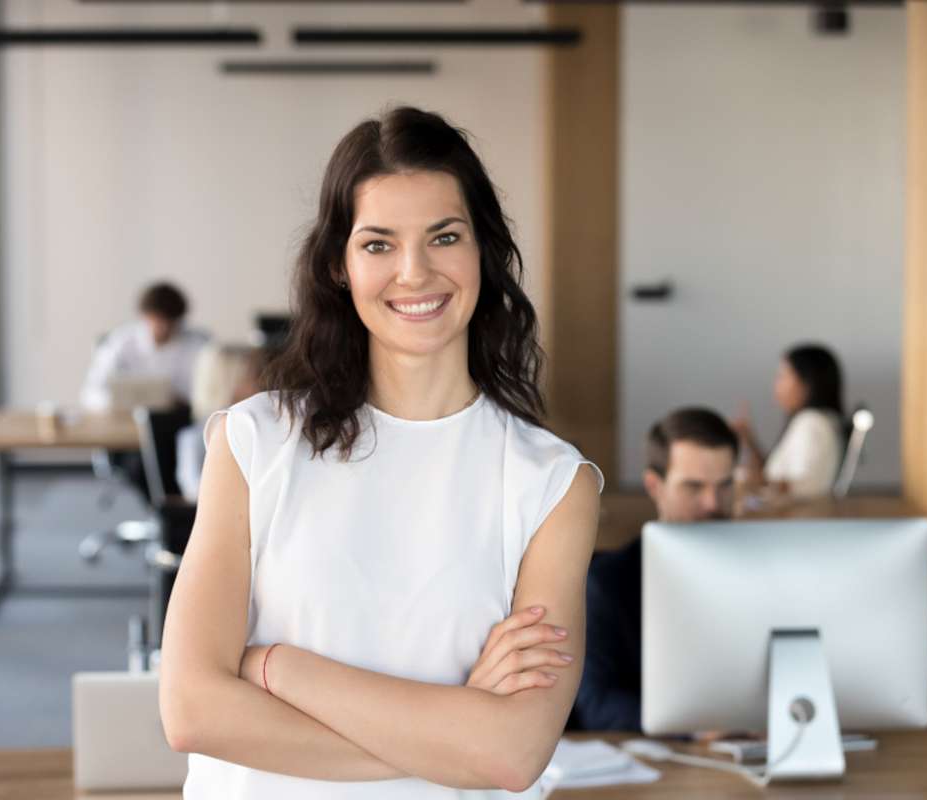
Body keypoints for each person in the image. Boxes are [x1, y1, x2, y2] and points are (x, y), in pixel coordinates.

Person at [158, 107, 604, 798]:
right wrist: (455, 738)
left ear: (483, 249)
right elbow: (190, 710)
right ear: (339, 264)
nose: (414, 272)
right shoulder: (253, 442)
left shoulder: (550, 484)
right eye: (378, 244)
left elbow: (514, 755)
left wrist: (278, 669)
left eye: (444, 237)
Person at [572, 408, 738, 731]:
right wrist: (695, 727)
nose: (712, 504)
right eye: (693, 487)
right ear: (654, 486)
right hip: (662, 763)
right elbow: (595, 704)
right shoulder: (609, 584)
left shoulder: (761, 575)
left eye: (725, 485)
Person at [733, 343, 846, 500]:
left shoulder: (812, 423)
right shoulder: (814, 421)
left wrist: (748, 479)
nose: (776, 386)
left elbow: (808, 486)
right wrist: (749, 441)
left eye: (782, 376)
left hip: (796, 520)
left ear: (807, 382)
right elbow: (773, 472)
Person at [79, 282, 210, 412]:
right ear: (144, 316)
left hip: (179, 420)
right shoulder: (121, 342)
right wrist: (121, 402)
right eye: (157, 320)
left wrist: (179, 401)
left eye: (169, 322)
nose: (163, 328)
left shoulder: (198, 345)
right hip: (124, 420)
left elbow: (209, 397)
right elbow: (91, 393)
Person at [175, 344, 263, 502]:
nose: (259, 382)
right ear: (228, 381)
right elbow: (193, 491)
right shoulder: (193, 438)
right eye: (250, 377)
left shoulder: (258, 428)